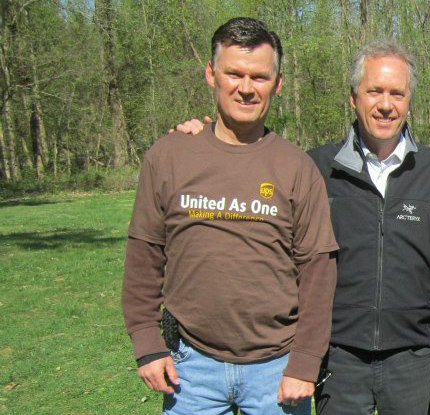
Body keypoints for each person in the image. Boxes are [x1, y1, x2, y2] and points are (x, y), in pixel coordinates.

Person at [122, 17, 338, 415]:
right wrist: (147, 343)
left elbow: (318, 272)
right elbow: (144, 254)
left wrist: (305, 362)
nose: (246, 88)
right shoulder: (169, 157)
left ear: (278, 83)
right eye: (234, 74)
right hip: (190, 367)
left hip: (276, 369)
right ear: (211, 74)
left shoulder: (296, 167)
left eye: (259, 77)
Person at [305, 41, 430, 415]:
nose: (386, 104)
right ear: (353, 97)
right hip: (338, 356)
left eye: (397, 93)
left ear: (409, 101)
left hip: (412, 355)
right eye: (374, 91)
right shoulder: (315, 169)